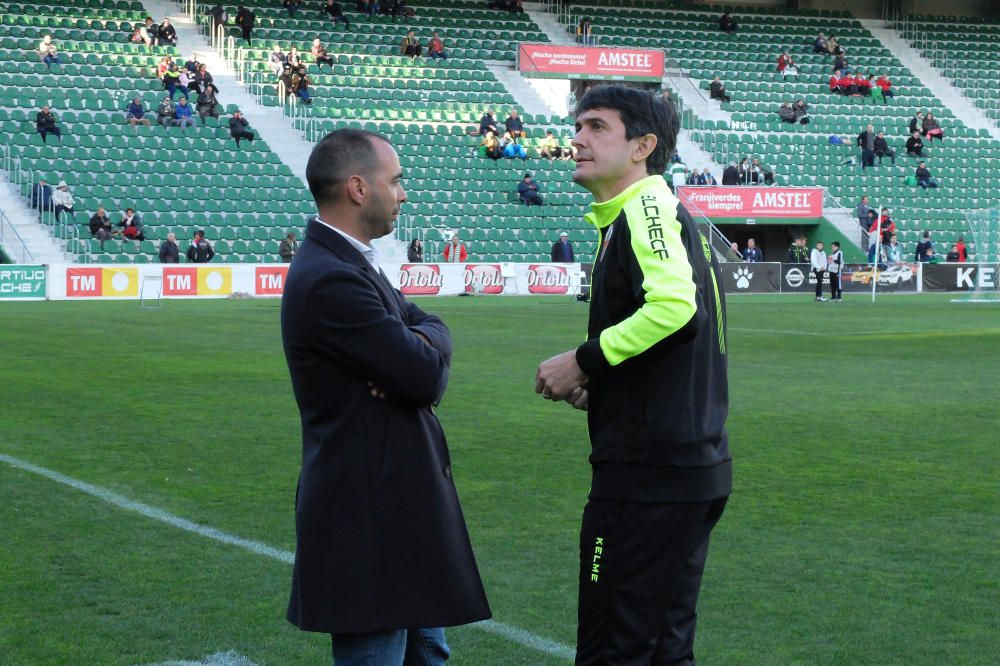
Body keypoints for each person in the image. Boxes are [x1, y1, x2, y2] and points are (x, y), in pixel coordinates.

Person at [534, 85, 730, 666]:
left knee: (612, 651)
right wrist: (611, 387)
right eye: (578, 127)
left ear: (644, 146)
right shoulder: (644, 216)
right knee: (663, 651)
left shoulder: (646, 206)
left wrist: (584, 360)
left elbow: (675, 311)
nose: (577, 140)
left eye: (597, 127)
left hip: (648, 479)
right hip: (684, 469)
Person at [280, 127, 490, 665]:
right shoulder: (331, 277)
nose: (402, 193)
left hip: (396, 508)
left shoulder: (350, 261)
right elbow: (424, 377)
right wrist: (421, 351)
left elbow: (429, 325)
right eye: (395, 182)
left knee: (428, 655)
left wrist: (420, 342)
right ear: (357, 188)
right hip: (367, 515)